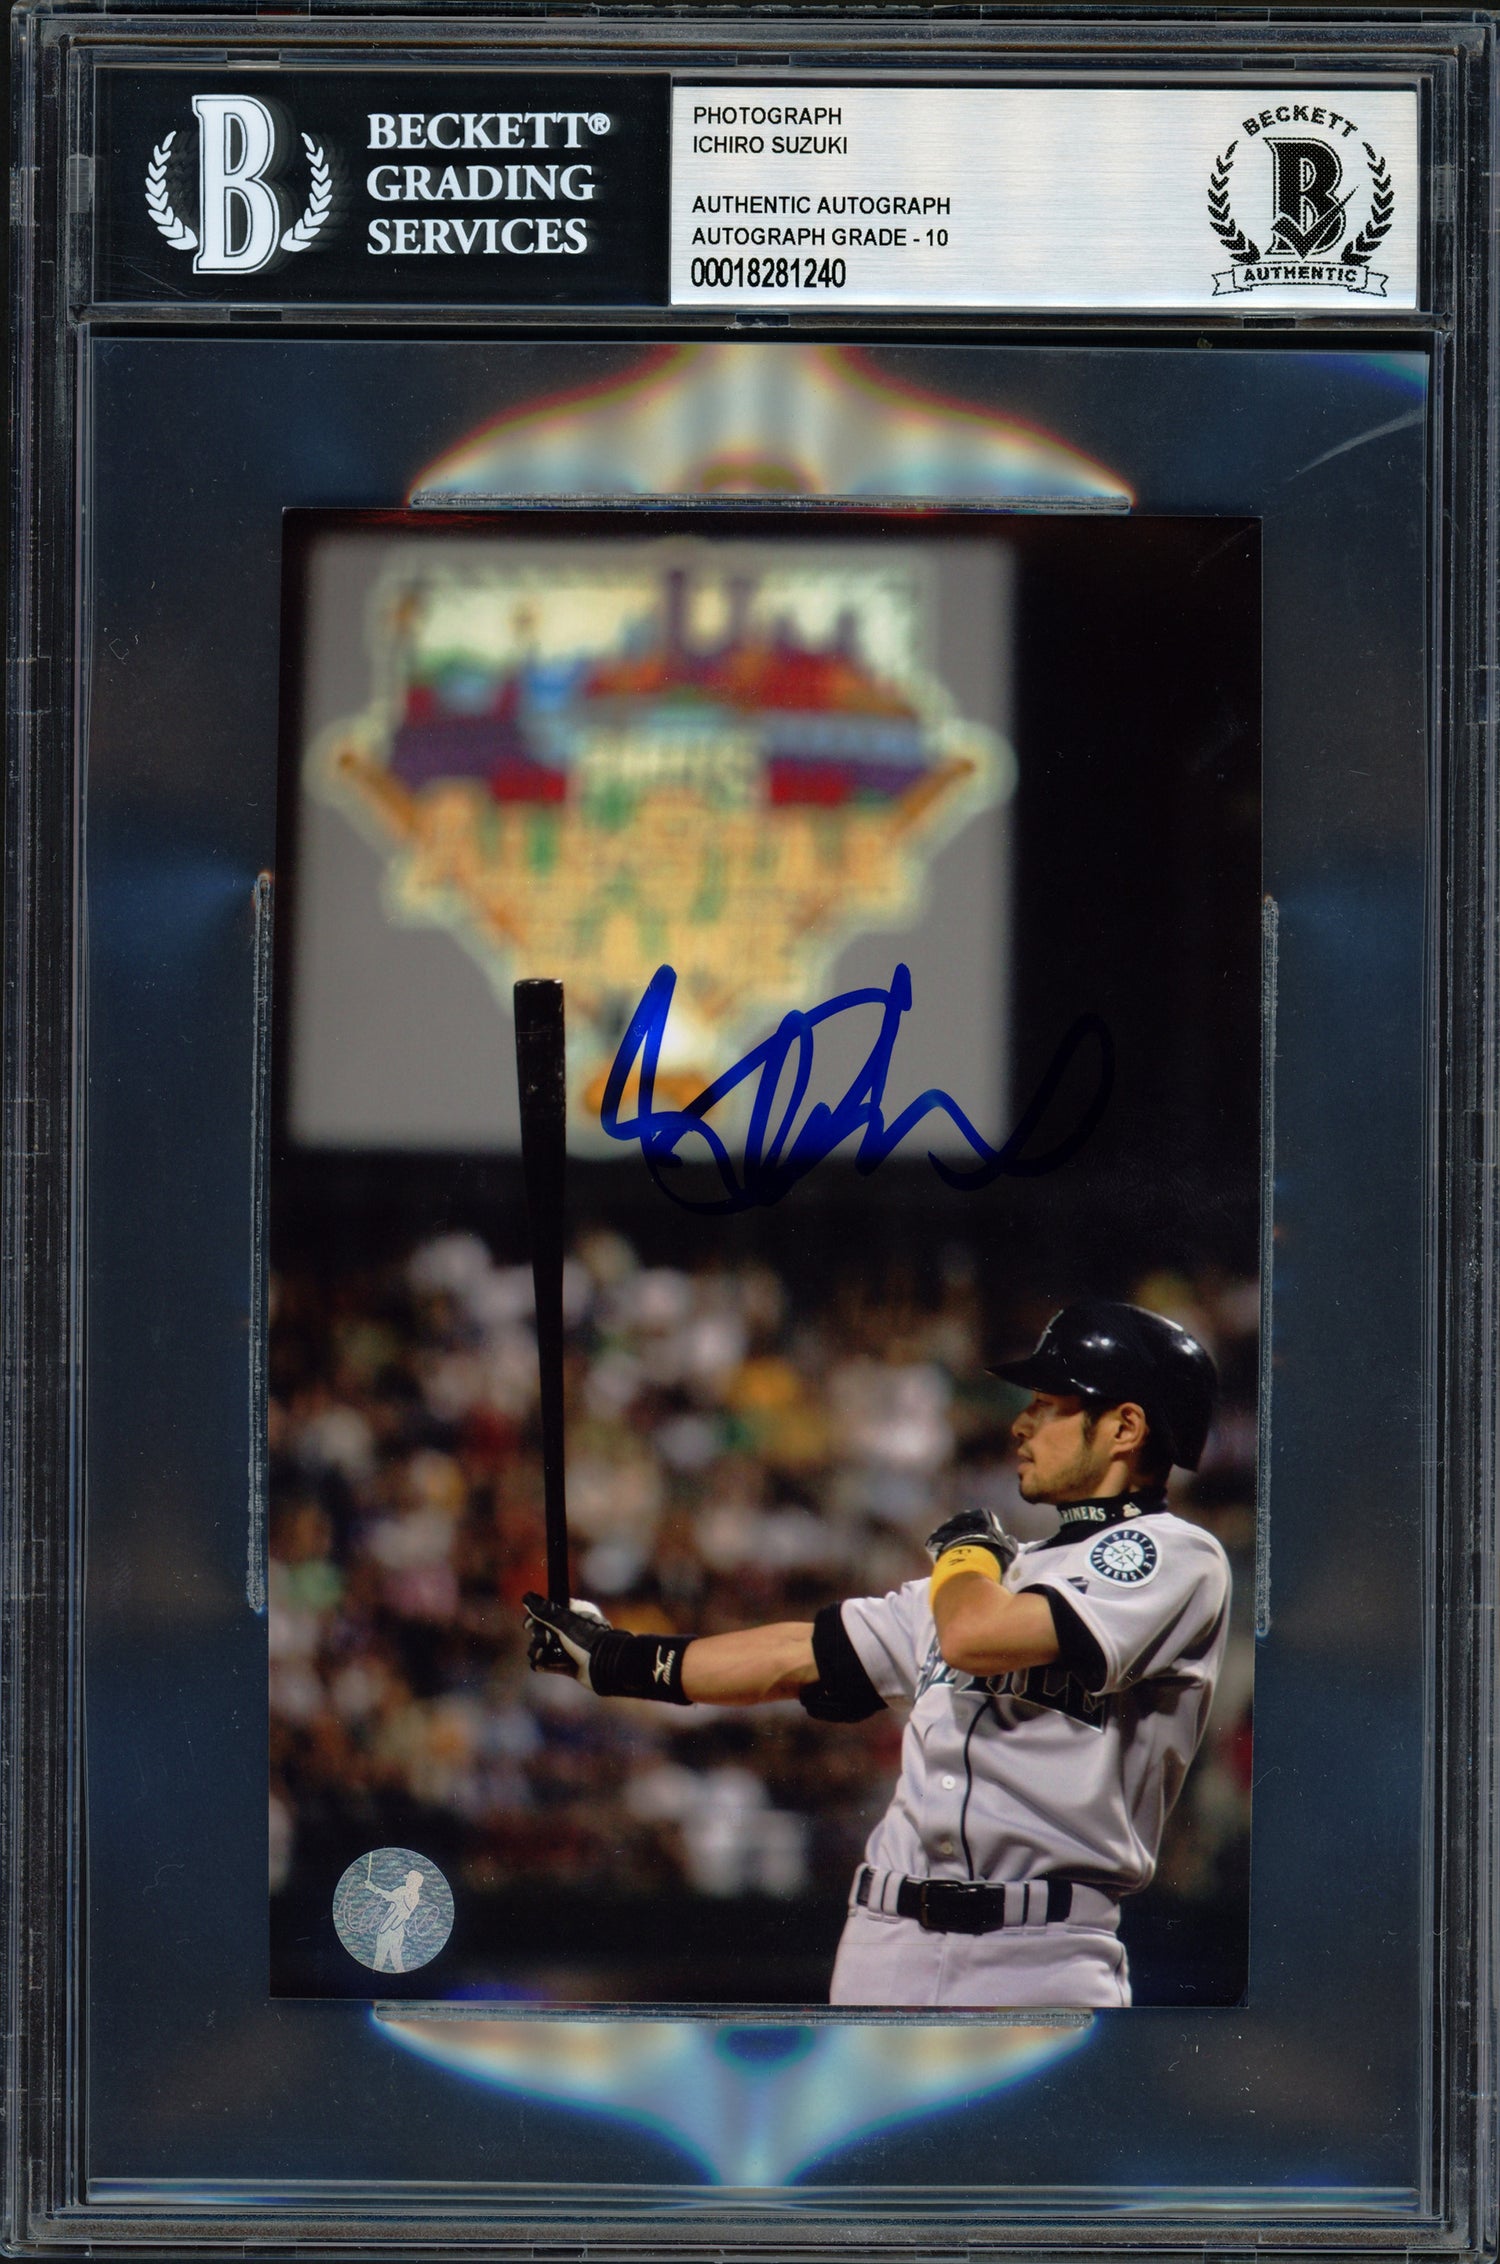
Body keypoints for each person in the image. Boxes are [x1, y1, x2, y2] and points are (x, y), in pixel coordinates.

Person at [524, 1300, 1229, 2009]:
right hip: (887, 1936)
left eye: (1048, 1405)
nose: (1021, 1425)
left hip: (1044, 1950)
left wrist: (964, 1557)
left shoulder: (1175, 1557)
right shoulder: (995, 1576)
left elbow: (974, 1637)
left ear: (1125, 1427)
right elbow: (800, 1653)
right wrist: (613, 1658)